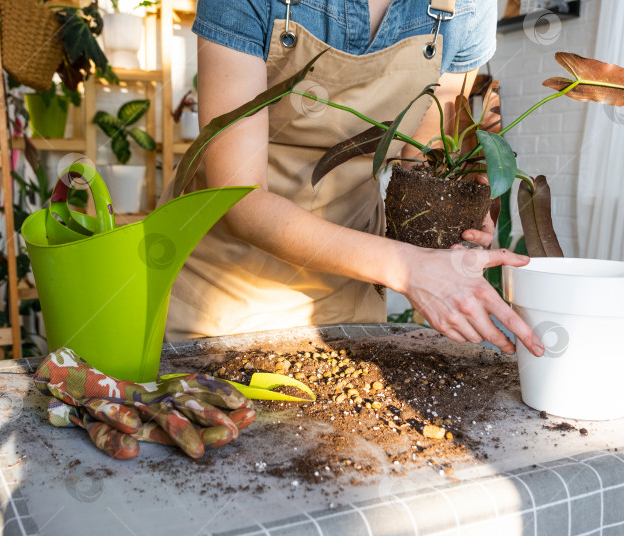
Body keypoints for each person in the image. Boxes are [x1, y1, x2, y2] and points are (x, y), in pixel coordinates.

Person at [166, 0, 546, 359]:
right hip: (220, 296)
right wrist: (407, 268)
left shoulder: (462, 9)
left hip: (349, 298)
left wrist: (451, 219)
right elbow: (239, 200)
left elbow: (422, 155)